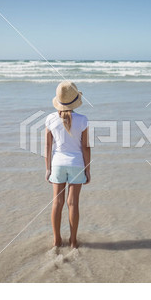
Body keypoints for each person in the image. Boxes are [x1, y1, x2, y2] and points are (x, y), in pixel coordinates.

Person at [45, 81, 91, 249]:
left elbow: (48, 146)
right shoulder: (83, 120)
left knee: (57, 203)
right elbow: (86, 147)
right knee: (73, 203)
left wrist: (48, 168)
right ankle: (73, 241)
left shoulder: (50, 119)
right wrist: (88, 170)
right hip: (77, 164)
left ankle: (56, 240)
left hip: (57, 164)